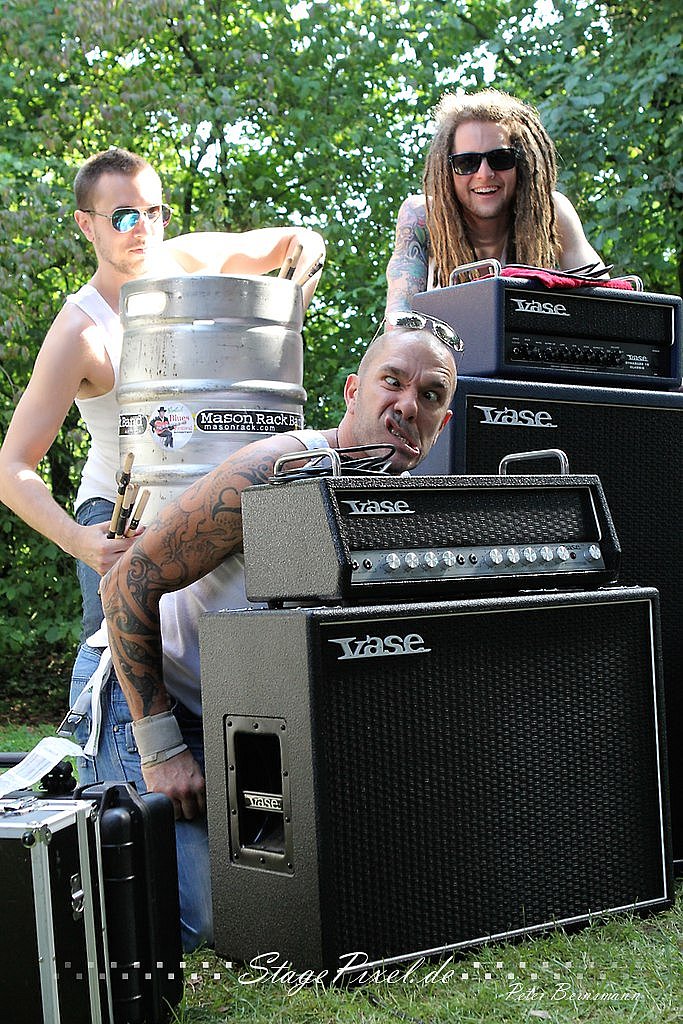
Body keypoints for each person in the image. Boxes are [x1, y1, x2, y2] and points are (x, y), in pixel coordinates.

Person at [98, 323, 458, 948]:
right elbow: (125, 583)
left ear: (442, 423)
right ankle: (94, 795)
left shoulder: (412, 512)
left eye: (429, 395)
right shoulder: (273, 471)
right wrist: (160, 749)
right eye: (391, 383)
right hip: (158, 700)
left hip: (260, 732)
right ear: (352, 391)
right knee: (208, 918)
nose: (406, 405)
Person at [0, 147, 325, 647]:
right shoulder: (81, 332)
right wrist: (80, 541)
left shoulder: (183, 259)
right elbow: (11, 467)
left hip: (209, 497)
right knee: (115, 657)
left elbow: (293, 243)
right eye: (124, 216)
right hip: (122, 512)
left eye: (154, 213)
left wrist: (298, 280)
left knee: (240, 642)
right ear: (87, 225)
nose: (144, 230)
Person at [385, 88, 606, 318]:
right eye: (466, 162)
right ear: (446, 171)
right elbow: (399, 317)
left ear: (520, 163)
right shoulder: (422, 215)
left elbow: (606, 301)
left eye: (500, 159)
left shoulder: (552, 212)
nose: (484, 173)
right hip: (443, 351)